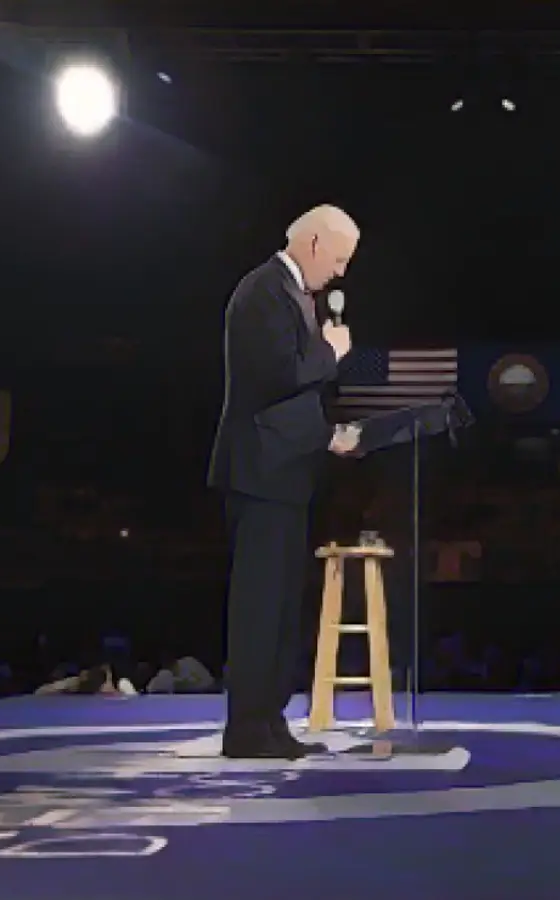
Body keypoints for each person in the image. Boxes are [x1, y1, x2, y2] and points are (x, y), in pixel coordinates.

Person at [208, 205, 362, 759]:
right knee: (258, 606)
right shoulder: (263, 292)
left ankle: (269, 722)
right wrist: (330, 353)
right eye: (339, 258)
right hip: (260, 471)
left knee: (279, 608)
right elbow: (276, 376)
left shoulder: (293, 294)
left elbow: (292, 395)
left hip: (285, 470)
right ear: (315, 243)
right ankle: (247, 728)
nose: (340, 272)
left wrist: (326, 434)